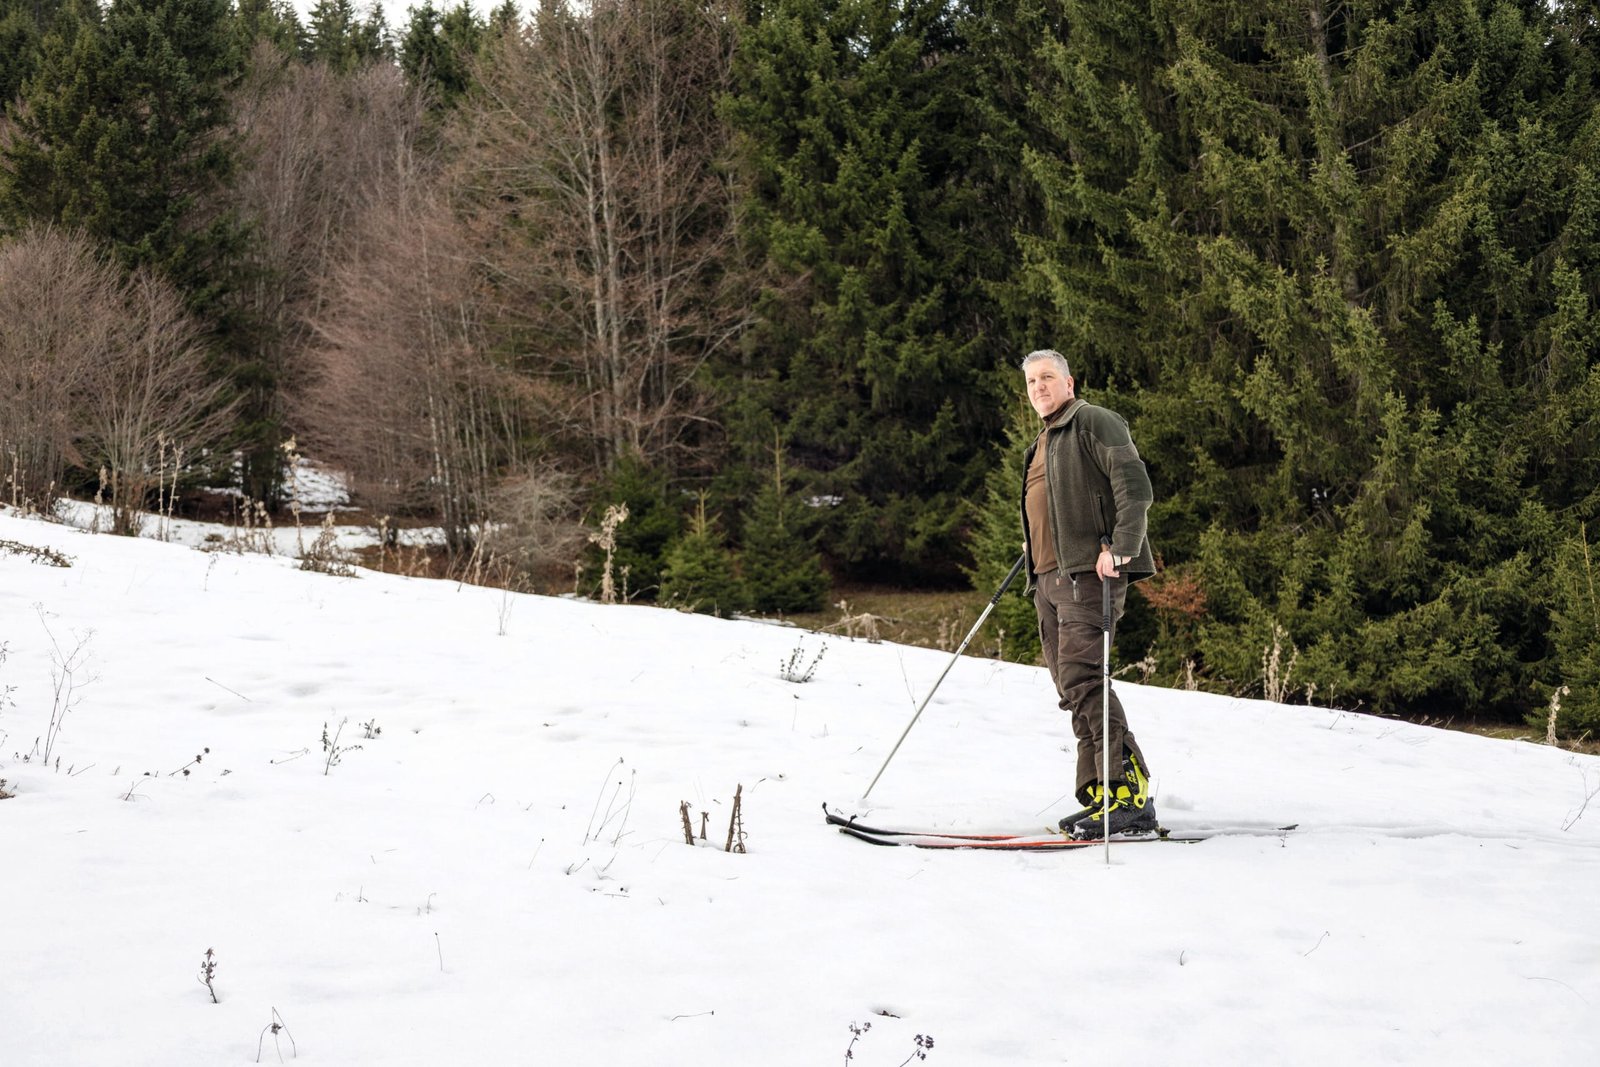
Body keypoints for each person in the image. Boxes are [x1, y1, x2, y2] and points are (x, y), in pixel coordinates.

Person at [1018, 348, 1159, 838]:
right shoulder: (1041, 442)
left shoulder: (1093, 421)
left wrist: (1121, 549)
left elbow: (1134, 488)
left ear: (1069, 382)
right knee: (1072, 688)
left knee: (1086, 679)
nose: (1039, 387)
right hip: (1048, 580)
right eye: (1032, 380)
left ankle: (1128, 794)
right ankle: (1101, 791)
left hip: (1089, 576)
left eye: (1048, 377)